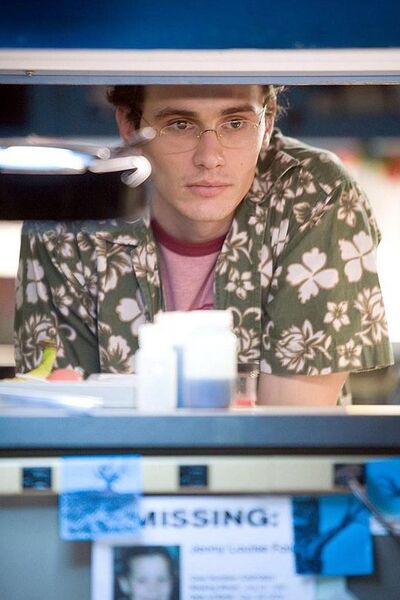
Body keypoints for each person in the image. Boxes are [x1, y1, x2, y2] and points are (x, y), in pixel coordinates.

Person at [14, 84, 393, 405]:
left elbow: (290, 433)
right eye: (180, 125)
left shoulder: (315, 194)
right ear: (129, 124)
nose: (210, 158)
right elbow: (63, 418)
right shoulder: (71, 211)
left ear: (267, 122)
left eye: (236, 123)